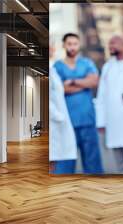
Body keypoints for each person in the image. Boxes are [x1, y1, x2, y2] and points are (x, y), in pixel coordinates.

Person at [54, 33, 104, 174]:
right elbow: (60, 89)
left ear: (79, 45)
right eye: (69, 44)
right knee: (66, 160)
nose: (72, 47)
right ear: (64, 45)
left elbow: (94, 81)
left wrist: (73, 81)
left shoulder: (86, 63)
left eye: (75, 44)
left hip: (87, 119)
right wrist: (84, 83)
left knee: (92, 161)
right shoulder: (58, 66)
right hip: (67, 121)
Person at [95, 35, 123, 173]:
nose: (110, 46)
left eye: (114, 43)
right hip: (112, 120)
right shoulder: (107, 67)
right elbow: (101, 96)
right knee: (119, 161)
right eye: (109, 44)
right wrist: (100, 122)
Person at [49, 42, 78, 174]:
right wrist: (58, 116)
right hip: (55, 122)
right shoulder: (50, 70)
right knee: (52, 158)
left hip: (58, 122)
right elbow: (47, 99)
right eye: (50, 46)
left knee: (55, 159)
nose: (53, 49)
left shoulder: (53, 70)